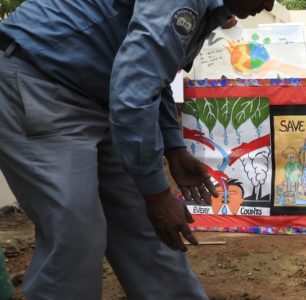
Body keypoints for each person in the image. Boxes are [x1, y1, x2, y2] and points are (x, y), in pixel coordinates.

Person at [0, 0, 273, 298]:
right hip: (38, 81)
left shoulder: (208, 9)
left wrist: (174, 146)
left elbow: (153, 76)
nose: (270, 3)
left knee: (150, 228)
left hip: (101, 96)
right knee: (75, 236)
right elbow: (134, 92)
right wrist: (156, 194)